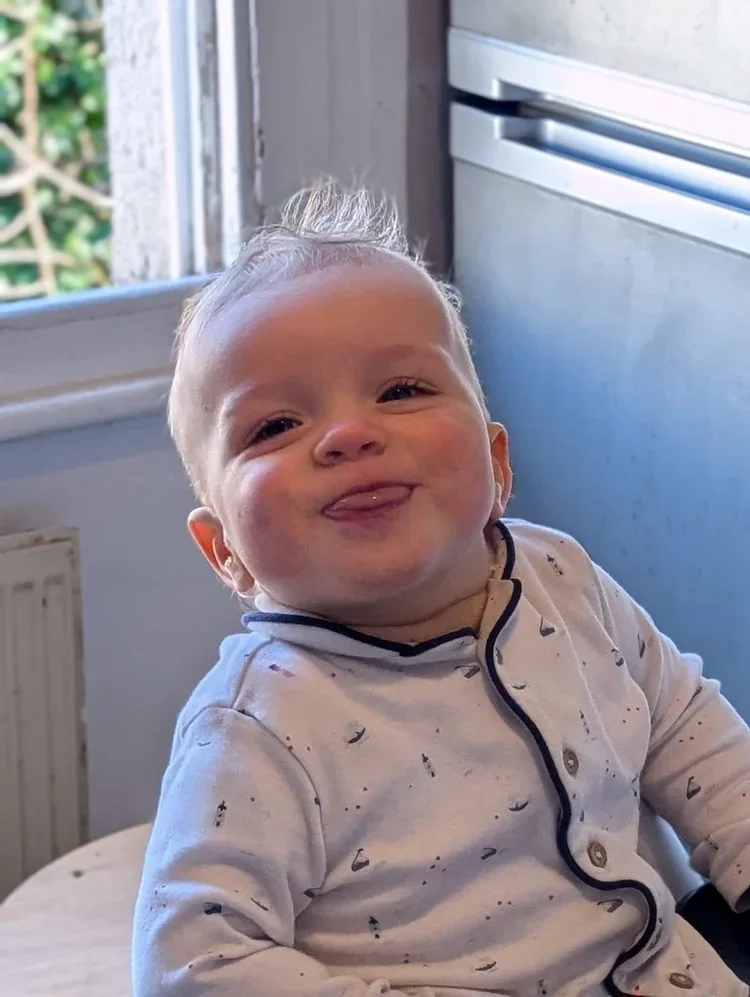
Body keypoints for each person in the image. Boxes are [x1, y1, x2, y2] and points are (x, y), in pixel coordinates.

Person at [131, 181, 750, 996]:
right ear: (225, 552)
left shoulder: (563, 577)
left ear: (496, 465)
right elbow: (194, 966)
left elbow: (687, 730)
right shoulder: (256, 727)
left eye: (401, 390)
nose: (350, 435)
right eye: (275, 426)